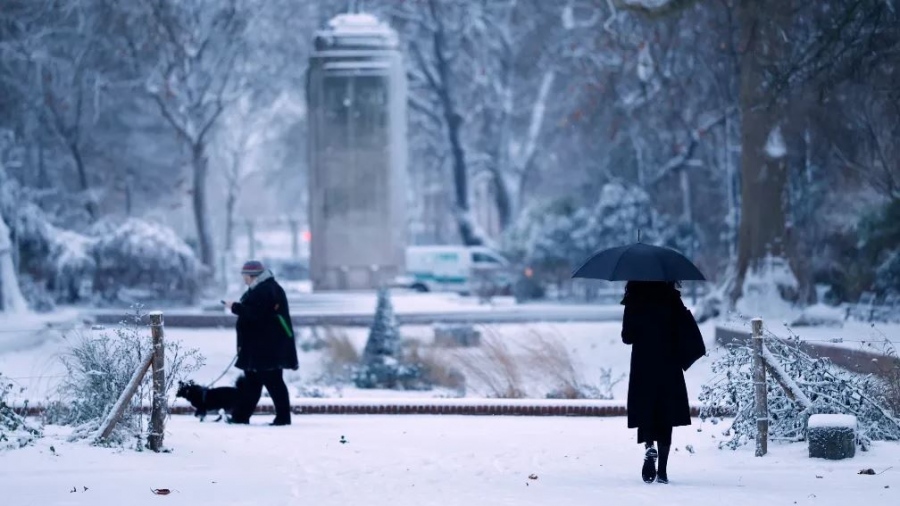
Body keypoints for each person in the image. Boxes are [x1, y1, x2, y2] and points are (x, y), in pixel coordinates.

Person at [620, 280, 692, 484]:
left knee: (646, 407)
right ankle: (663, 472)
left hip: (643, 363)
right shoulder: (671, 298)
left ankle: (649, 446)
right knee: (666, 412)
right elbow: (682, 330)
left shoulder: (634, 298)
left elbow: (627, 337)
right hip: (668, 363)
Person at [224, 260, 299, 426]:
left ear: (252, 276)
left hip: (266, 348)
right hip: (261, 348)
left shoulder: (265, 290)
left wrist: (234, 307)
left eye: (245, 276)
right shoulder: (265, 288)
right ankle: (241, 417)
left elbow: (255, 314)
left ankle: (282, 418)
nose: (243, 279)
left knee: (273, 383)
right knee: (254, 383)